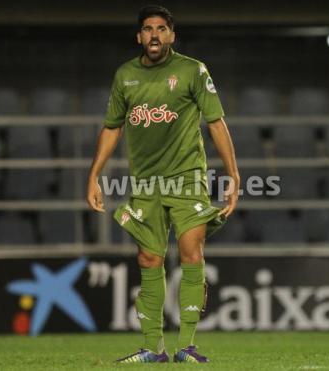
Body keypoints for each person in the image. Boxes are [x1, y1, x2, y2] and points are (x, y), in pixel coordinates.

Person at [86, 4, 239, 364]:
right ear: (139, 36)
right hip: (146, 183)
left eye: (161, 29)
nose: (154, 35)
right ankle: (153, 348)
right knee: (148, 257)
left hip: (188, 178)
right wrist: (94, 175)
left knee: (191, 252)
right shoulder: (125, 76)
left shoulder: (192, 70)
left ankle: (186, 345)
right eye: (148, 29)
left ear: (171, 35)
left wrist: (234, 175)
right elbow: (112, 127)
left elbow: (216, 123)